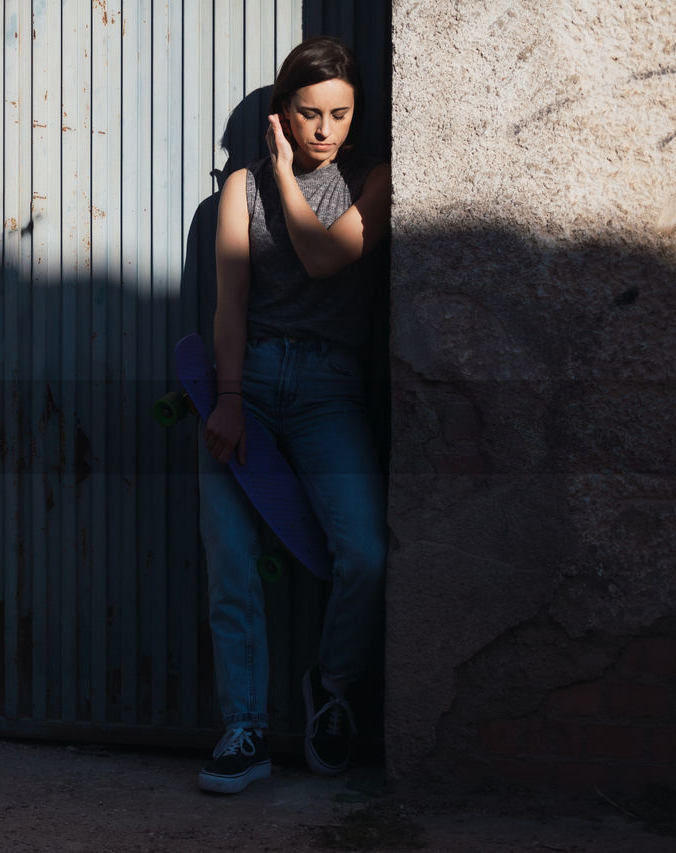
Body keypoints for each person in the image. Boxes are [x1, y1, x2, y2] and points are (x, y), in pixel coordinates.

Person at [195, 36, 392, 794]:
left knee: (367, 554)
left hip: (330, 392)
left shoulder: (373, 181)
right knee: (232, 559)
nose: (322, 131)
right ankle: (243, 727)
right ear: (283, 112)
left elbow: (321, 257)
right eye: (308, 114)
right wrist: (233, 401)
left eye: (338, 114)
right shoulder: (241, 188)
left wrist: (284, 175)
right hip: (248, 383)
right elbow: (233, 301)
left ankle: (330, 684)